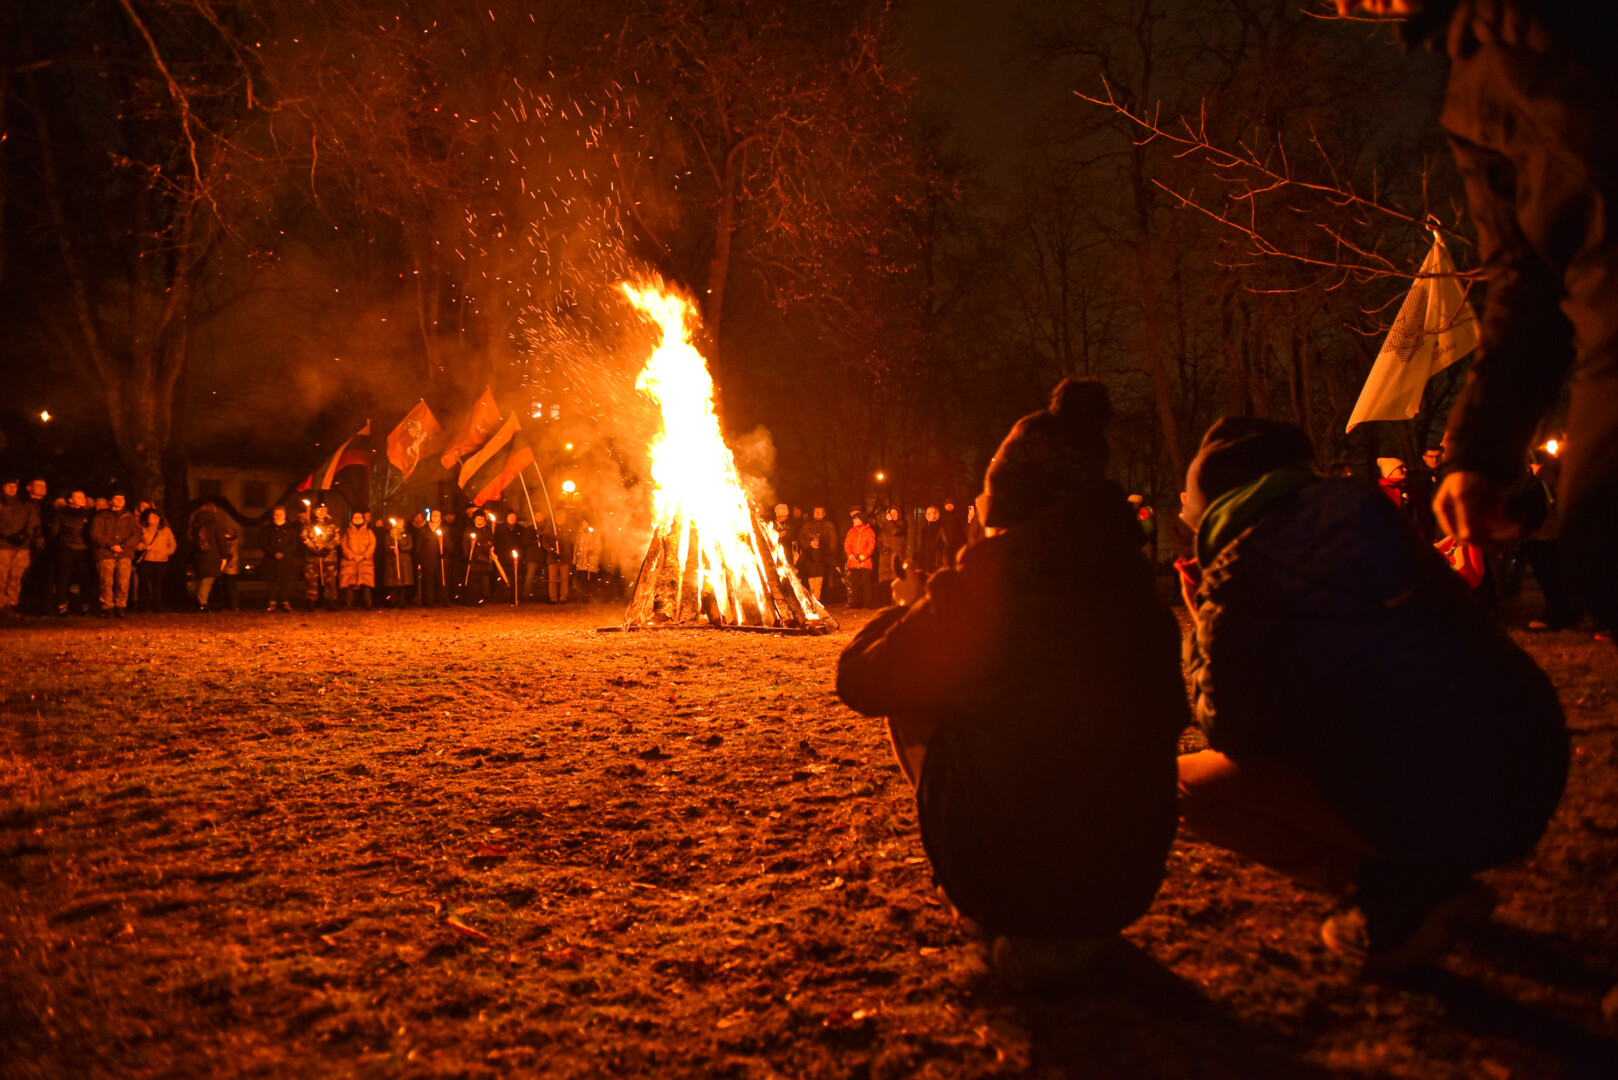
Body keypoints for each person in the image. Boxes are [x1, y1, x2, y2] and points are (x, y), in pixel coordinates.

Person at [1176, 416, 1567, 973]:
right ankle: (1417, 873)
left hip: (1458, 801)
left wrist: (1203, 618)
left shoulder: (1246, 567)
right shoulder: (1362, 513)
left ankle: (1400, 898)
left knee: (1180, 785)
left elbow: (1232, 727)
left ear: (1212, 502)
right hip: (1533, 768)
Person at [837, 378, 1187, 987]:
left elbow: (861, 680)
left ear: (1011, 502)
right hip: (1123, 885)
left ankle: (1003, 910)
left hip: (1018, 885)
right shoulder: (1132, 587)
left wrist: (909, 607)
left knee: (914, 690)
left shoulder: (991, 585)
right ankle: (1073, 927)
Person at [1335, 0, 1618, 639]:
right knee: (1600, 546)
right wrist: (1479, 453)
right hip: (1605, 322)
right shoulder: (1473, 93)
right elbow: (1525, 280)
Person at [89, 492, 140, 619]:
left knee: (123, 581)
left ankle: (121, 605)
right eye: (117, 498)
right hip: (106, 553)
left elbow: (137, 534)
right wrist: (111, 544)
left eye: (122, 499)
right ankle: (108, 606)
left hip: (124, 553)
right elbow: (96, 533)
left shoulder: (130, 517)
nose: (120, 501)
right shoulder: (101, 516)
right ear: (110, 501)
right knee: (106, 582)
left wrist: (124, 546)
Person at [0, 479, 42, 617]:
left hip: (22, 546)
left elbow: (33, 520)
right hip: (3, 545)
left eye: (15, 486)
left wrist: (26, 534)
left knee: (16, 577)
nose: (13, 489)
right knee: (1, 576)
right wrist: (8, 534)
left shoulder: (25, 503)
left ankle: (11, 604)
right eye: (9, 486)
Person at [51, 491, 93, 615]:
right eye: (79, 497)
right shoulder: (61, 514)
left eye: (84, 497)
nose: (83, 499)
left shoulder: (88, 514)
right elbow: (54, 531)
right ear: (70, 500)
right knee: (63, 577)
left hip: (83, 548)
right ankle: (61, 605)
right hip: (66, 547)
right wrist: (58, 544)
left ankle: (85, 605)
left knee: (84, 577)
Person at [188, 502, 228, 612]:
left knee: (200, 579)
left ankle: (196, 602)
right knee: (208, 581)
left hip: (198, 555)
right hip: (212, 555)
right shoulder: (214, 524)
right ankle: (202, 603)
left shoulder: (195, 524)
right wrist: (224, 556)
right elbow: (221, 542)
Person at [135, 508, 176, 612]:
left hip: (161, 560)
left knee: (158, 584)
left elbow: (172, 542)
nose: (156, 519)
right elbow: (135, 542)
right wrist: (143, 546)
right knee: (144, 584)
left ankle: (158, 605)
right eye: (153, 516)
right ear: (146, 518)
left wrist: (168, 551)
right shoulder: (141, 529)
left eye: (157, 516)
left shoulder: (166, 530)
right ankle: (144, 605)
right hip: (146, 560)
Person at [261, 506, 301, 612]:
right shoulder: (267, 529)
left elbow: (294, 544)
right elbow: (263, 543)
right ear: (273, 516)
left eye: (281, 514)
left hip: (286, 559)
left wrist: (283, 552)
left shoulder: (291, 529)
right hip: (271, 559)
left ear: (285, 515)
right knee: (272, 582)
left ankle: (285, 602)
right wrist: (273, 552)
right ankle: (272, 603)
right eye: (276, 514)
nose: (278, 516)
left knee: (285, 582)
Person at [301, 504, 340, 611]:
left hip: (329, 556)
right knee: (311, 579)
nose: (321, 512)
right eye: (319, 510)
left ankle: (331, 601)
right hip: (313, 556)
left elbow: (337, 537)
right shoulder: (309, 523)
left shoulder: (333, 522)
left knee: (330, 579)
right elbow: (304, 536)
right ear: (314, 511)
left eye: (323, 510)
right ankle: (311, 601)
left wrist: (327, 548)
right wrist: (313, 548)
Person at [339, 510, 376, 608]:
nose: (357, 519)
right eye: (355, 517)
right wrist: (351, 556)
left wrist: (364, 556)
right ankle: (349, 604)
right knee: (349, 582)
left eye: (359, 517)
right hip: (350, 561)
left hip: (365, 561)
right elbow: (343, 545)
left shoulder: (369, 532)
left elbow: (372, 544)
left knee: (366, 583)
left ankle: (368, 604)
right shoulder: (347, 532)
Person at [416, 511, 449, 607]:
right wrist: (420, 559)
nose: (435, 517)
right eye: (434, 515)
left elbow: (448, 543)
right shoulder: (424, 530)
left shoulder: (444, 529)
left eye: (438, 515)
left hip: (440, 559)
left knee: (442, 580)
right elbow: (419, 546)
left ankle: (443, 599)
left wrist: (444, 551)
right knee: (429, 581)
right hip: (428, 559)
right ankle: (430, 601)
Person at [844, 510, 876, 608]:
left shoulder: (870, 531)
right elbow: (847, 544)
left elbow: (871, 546)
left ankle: (868, 603)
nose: (853, 521)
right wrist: (850, 555)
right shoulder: (851, 531)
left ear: (861, 520)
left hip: (865, 562)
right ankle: (855, 603)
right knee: (855, 583)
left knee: (867, 583)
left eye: (856, 519)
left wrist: (864, 556)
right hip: (853, 561)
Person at [380, 516, 415, 606]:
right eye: (399, 522)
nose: (401, 524)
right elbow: (386, 546)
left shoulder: (406, 534)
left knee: (403, 582)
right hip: (392, 561)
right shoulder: (389, 534)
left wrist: (401, 548)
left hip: (404, 561)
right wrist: (392, 549)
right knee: (393, 582)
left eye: (402, 523)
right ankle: (393, 602)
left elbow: (410, 545)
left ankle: (403, 602)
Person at [462, 511, 494, 605]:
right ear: (474, 519)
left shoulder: (487, 529)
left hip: (484, 558)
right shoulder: (470, 529)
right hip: (473, 558)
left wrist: (482, 546)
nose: (480, 520)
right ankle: (471, 599)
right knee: (472, 579)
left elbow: (490, 542)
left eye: (482, 518)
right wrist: (467, 555)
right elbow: (465, 542)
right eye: (478, 518)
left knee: (483, 580)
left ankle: (482, 599)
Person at [795, 525, 831, 602]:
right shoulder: (807, 551)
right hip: (811, 574)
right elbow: (801, 560)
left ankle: (816, 602)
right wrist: (797, 568)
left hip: (820, 573)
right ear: (810, 542)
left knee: (818, 588)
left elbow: (829, 559)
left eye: (816, 541)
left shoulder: (822, 550)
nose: (815, 543)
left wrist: (836, 566)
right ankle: (813, 601)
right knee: (812, 588)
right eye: (813, 541)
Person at [546, 508, 575, 602]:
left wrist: (561, 539)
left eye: (564, 517)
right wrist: (551, 550)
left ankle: (563, 597)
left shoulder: (567, 527)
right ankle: (553, 597)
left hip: (564, 556)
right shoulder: (550, 527)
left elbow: (570, 540)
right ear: (556, 517)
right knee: (552, 579)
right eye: (561, 516)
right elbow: (545, 541)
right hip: (552, 557)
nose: (563, 519)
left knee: (564, 578)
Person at [573, 516, 602, 599]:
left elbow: (598, 546)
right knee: (582, 580)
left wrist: (593, 551)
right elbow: (576, 546)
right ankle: (582, 596)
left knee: (590, 580)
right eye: (582, 522)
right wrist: (574, 559)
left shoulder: (595, 533)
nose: (583, 523)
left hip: (590, 562)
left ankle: (591, 596)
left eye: (585, 522)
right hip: (581, 562)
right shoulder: (579, 533)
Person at [217, 516, 242, 611]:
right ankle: (229, 604)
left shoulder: (233, 543)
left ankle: (233, 604)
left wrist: (227, 565)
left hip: (230, 569)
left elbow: (234, 556)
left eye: (226, 534)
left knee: (230, 587)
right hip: (228, 568)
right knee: (226, 587)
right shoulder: (230, 542)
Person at [916, 506, 951, 574]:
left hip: (935, 560)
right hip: (923, 560)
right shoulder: (924, 526)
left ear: (936, 514)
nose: (928, 515)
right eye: (927, 513)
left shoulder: (941, 526)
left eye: (930, 513)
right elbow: (920, 541)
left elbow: (946, 542)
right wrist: (917, 552)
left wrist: (938, 547)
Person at [877, 507, 906, 587]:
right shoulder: (884, 527)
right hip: (885, 560)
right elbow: (879, 540)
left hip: (897, 557)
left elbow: (895, 532)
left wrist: (890, 521)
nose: (893, 515)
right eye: (891, 513)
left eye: (895, 513)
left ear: (898, 515)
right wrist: (882, 549)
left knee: (896, 582)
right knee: (884, 584)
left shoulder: (902, 525)